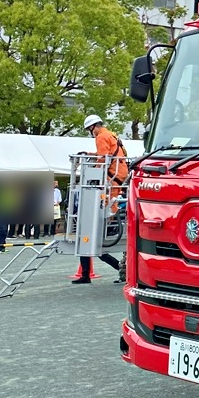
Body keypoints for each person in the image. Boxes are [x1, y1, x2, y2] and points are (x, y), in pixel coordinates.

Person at [72, 114, 124, 285]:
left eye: (89, 130)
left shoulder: (101, 136)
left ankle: (110, 225)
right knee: (111, 200)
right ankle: (111, 223)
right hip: (119, 172)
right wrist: (89, 154)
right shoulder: (111, 134)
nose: (91, 133)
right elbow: (106, 153)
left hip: (113, 174)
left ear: (92, 127)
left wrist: (92, 172)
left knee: (109, 201)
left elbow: (103, 157)